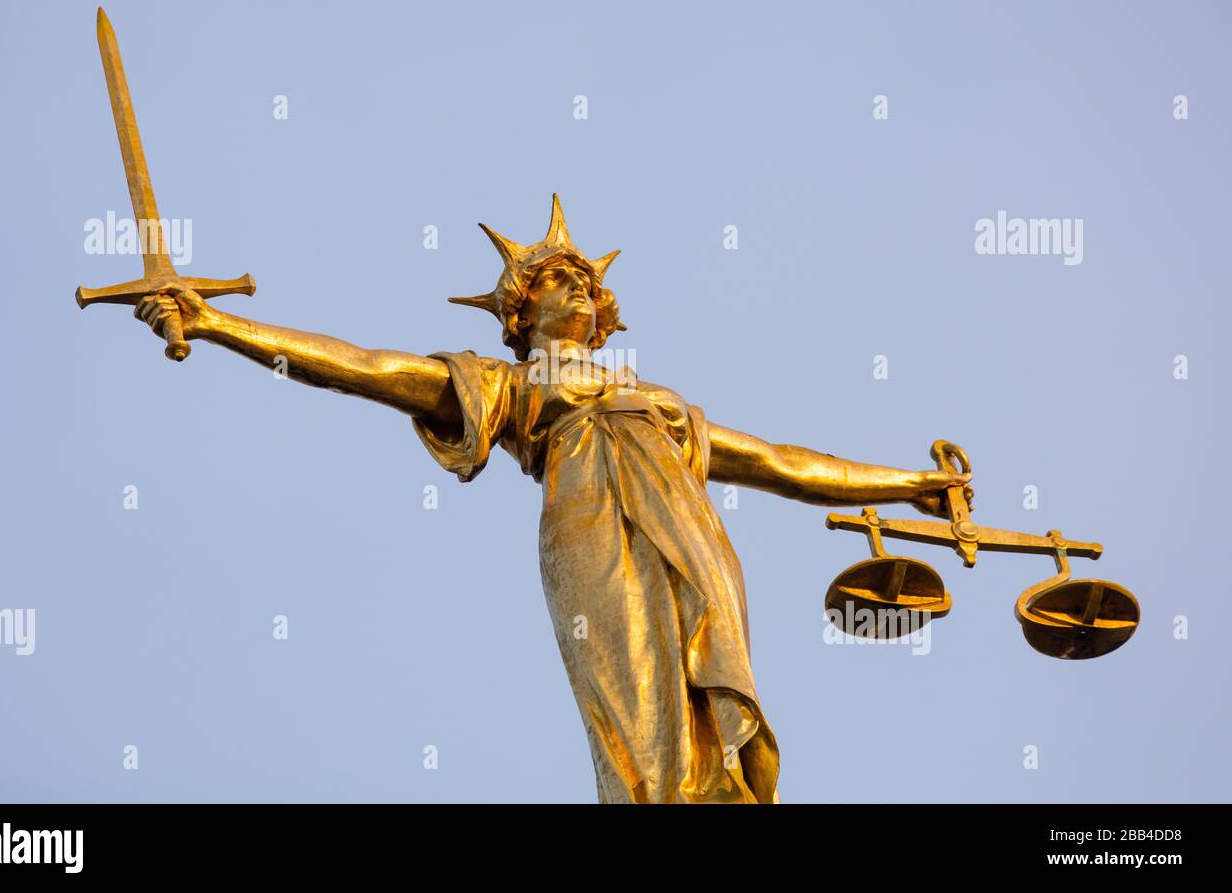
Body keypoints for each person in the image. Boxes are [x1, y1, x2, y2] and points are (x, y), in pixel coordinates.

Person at [134, 195, 971, 804]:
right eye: (556, 280)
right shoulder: (509, 386)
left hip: (694, 541)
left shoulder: (661, 403)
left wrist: (913, 484)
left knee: (700, 694)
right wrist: (220, 326)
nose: (575, 288)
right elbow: (366, 366)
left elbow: (781, 463)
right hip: (591, 535)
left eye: (582, 280)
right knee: (635, 707)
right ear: (522, 307)